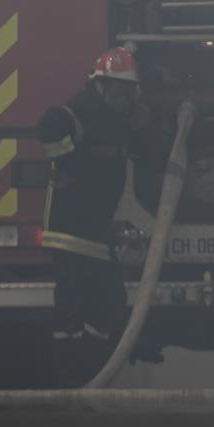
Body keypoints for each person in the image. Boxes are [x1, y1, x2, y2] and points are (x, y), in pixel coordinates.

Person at [37, 47, 142, 376]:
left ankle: (92, 380)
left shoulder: (117, 117)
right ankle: (71, 384)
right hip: (71, 233)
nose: (122, 98)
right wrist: (70, 159)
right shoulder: (80, 110)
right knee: (73, 311)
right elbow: (48, 127)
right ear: (99, 86)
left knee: (107, 306)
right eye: (116, 91)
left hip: (95, 234)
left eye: (127, 91)